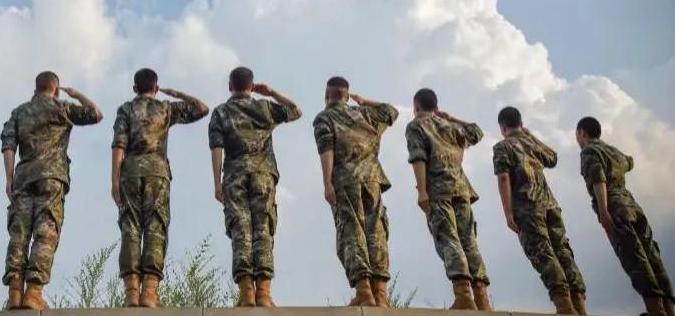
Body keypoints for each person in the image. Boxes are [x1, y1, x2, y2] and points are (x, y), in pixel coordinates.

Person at [1, 71, 103, 309]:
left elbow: (8, 145)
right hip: (51, 177)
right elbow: (96, 114)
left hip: (23, 177)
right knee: (45, 232)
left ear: (36, 88)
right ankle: (33, 293)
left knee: (19, 233)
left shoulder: (19, 112)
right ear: (55, 89)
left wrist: (9, 178)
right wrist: (77, 95)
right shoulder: (62, 108)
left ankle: (15, 292)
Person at [111, 68, 209, 308]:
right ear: (156, 87)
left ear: (135, 88)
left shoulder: (125, 109)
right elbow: (202, 108)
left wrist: (114, 180)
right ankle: (150, 294)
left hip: (130, 172)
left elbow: (118, 146)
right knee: (156, 228)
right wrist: (174, 92)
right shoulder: (166, 108)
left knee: (130, 230)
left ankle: (132, 293)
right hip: (157, 173)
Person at [208, 66, 302, 307]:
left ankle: (246, 294)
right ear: (252, 86)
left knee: (241, 231)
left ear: (230, 86)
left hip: (234, 176)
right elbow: (296, 111)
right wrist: (270, 92)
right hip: (263, 175)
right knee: (263, 229)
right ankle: (264, 293)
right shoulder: (265, 107)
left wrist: (217, 182)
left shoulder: (220, 113)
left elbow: (217, 148)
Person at [575, 116, 675, 316]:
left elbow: (598, 180)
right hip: (634, 207)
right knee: (653, 258)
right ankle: (669, 311)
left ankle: (655, 310)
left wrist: (604, 213)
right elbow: (629, 162)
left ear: (582, 133)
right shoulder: (612, 151)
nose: (577, 140)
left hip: (616, 208)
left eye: (577, 135)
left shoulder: (589, 151)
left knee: (635, 260)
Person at [312, 77, 398, 308]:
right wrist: (364, 101)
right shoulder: (367, 115)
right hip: (372, 180)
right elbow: (392, 112)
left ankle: (364, 292)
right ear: (346, 95)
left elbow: (326, 150)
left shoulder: (324, 118)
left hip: (345, 180)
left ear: (326, 96)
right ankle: (380, 294)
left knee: (351, 232)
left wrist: (327, 183)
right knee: (376, 232)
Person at [493, 107, 586, 314]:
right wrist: (530, 135)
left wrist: (508, 213)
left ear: (503, 126)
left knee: (543, 255)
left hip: (529, 208)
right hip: (551, 207)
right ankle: (579, 303)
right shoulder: (531, 144)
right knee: (563, 253)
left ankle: (564, 305)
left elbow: (503, 178)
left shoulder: (502, 147)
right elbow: (552, 157)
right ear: (521, 123)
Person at [405, 88, 490, 311]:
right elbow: (477, 132)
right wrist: (451, 117)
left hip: (439, 190)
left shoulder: (416, 126)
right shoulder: (451, 127)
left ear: (416, 106)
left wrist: (422, 191)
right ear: (436, 107)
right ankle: (482, 297)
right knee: (468, 241)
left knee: (449, 239)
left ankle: (463, 295)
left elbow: (419, 158)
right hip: (461, 190)